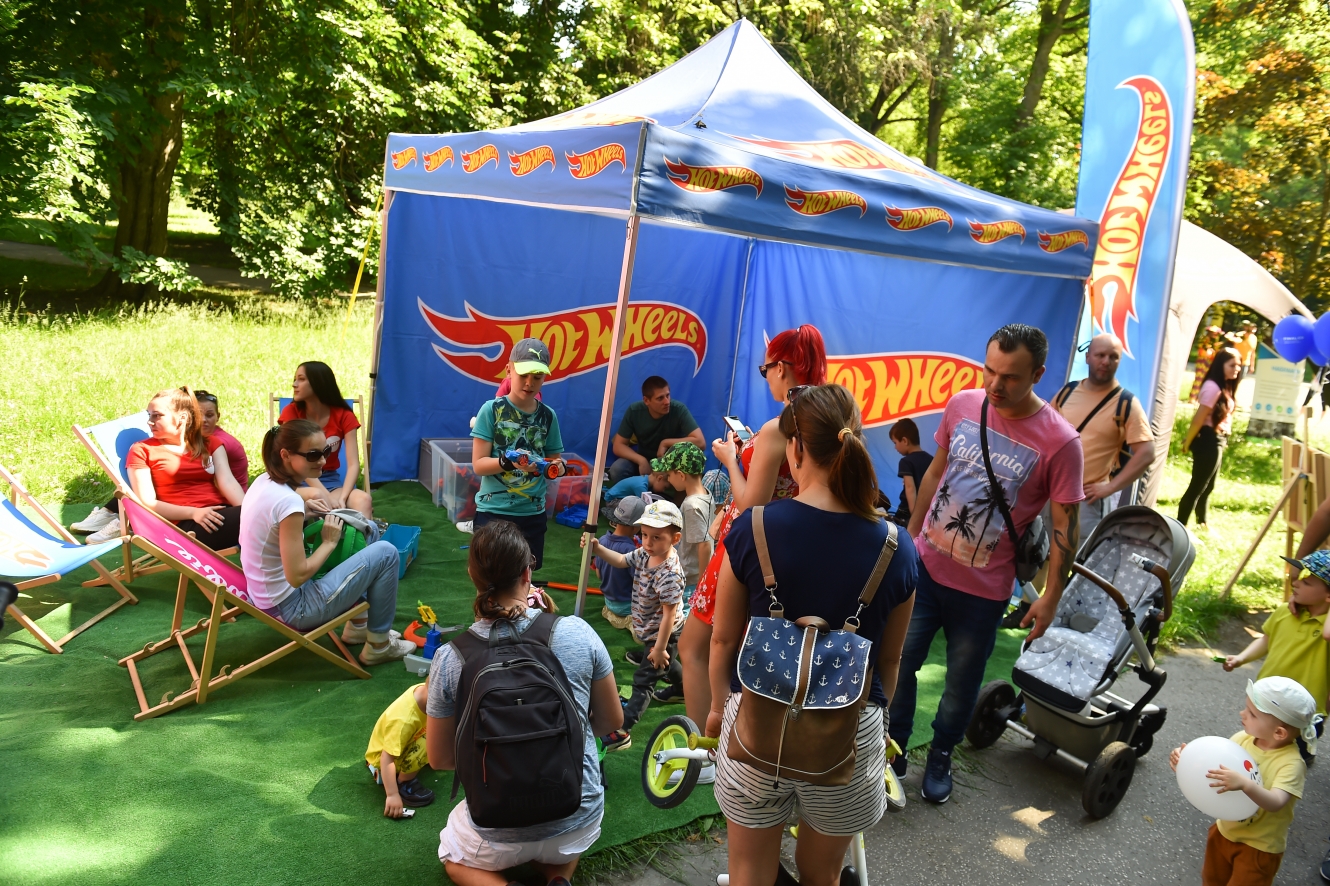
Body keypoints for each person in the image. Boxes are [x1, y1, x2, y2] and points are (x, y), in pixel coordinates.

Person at [706, 383, 918, 886]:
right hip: (850, 736)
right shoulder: (897, 546)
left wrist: (716, 709)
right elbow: (890, 661)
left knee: (748, 873)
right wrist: (881, 723)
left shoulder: (753, 527)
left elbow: (722, 640)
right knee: (822, 874)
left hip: (755, 723)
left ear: (795, 448)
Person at [892, 324, 1084, 804]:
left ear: (1038, 374)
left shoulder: (1061, 442)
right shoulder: (963, 404)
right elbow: (935, 473)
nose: (996, 385)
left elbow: (1066, 525)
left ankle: (941, 753)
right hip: (926, 570)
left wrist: (1052, 597)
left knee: (961, 684)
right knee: (899, 663)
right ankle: (892, 751)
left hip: (984, 592)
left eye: (1011, 377)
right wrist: (910, 538)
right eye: (990, 370)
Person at [426, 521, 621, 886]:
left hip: (495, 823)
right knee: (560, 847)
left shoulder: (451, 658)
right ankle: (556, 877)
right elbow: (611, 721)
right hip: (576, 813)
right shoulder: (577, 631)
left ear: (471, 575)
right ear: (527, 574)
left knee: (453, 858)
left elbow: (440, 759)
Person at [679, 324, 826, 753]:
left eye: (766, 369)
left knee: (698, 646)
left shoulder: (780, 427)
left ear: (782, 368)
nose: (767, 378)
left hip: (746, 547)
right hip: (794, 551)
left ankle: (708, 748)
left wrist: (730, 459)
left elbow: (750, 504)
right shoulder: (829, 417)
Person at [239, 420, 413, 665]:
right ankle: (379, 646)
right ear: (285, 455)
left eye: (326, 451)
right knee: (386, 552)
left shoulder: (263, 481)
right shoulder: (288, 503)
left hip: (268, 595)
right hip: (293, 608)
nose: (322, 460)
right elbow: (297, 576)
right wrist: (328, 543)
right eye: (313, 455)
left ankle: (359, 626)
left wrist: (304, 510)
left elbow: (272, 524)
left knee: (368, 528)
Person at [1169, 677, 1318, 886]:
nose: (1242, 713)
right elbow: (1217, 768)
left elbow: (1276, 802)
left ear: (1279, 732)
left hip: (1259, 846)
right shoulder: (1242, 739)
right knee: (1211, 880)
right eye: (1246, 708)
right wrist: (1187, 762)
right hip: (1224, 831)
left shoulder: (1291, 764)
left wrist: (1246, 784)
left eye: (1252, 714)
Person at [77, 388, 250, 540]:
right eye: (149, 415)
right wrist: (194, 513)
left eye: (157, 415)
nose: (149, 421)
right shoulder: (142, 450)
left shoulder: (210, 443)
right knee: (260, 518)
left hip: (217, 514)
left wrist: (248, 509)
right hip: (183, 525)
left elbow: (227, 482)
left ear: (182, 417)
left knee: (258, 513)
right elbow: (147, 502)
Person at [583, 499, 687, 750]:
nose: (648, 542)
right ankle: (683, 688)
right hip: (650, 629)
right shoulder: (644, 553)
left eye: (656, 537)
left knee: (644, 681)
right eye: (645, 535)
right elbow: (621, 561)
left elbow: (669, 616)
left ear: (675, 539)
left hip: (664, 633)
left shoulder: (670, 574)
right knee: (665, 663)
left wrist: (659, 647)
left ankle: (623, 729)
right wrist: (598, 549)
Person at [470, 338, 564, 571]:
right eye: (523, 374)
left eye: (537, 377)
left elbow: (555, 459)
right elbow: (479, 465)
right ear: (508, 370)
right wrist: (508, 462)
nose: (529, 383)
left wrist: (556, 468)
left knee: (525, 578)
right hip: (493, 511)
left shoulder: (548, 416)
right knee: (489, 576)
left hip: (532, 513)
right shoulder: (491, 410)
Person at [1052, 333, 1156, 539]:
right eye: (1100, 355)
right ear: (1087, 357)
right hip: (1050, 492)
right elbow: (1044, 434)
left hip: (1085, 501)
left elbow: (1147, 453)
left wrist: (1110, 488)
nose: (1106, 362)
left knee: (1078, 557)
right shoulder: (1067, 392)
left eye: (1113, 357)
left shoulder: (1126, 403)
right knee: (1039, 553)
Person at [1224, 551, 1330, 723]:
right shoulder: (1284, 612)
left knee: (1292, 743)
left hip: (1303, 711)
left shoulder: (1327, 626)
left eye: (1306, 583)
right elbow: (1266, 640)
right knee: (1254, 739)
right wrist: (1241, 658)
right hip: (1265, 698)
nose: (1295, 583)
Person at [279, 361, 373, 519]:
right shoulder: (292, 413)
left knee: (363, 499)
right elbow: (297, 462)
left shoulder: (344, 415)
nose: (294, 384)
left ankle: (367, 536)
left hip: (329, 479)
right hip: (294, 480)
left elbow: (353, 464)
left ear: (318, 383)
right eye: (295, 379)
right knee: (318, 496)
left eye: (301, 379)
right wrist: (325, 495)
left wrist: (343, 497)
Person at [1178, 348, 1241, 529]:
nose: (1237, 369)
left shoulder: (1225, 386)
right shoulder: (1213, 387)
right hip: (1208, 439)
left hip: (1218, 439)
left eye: (1238, 365)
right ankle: (1180, 525)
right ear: (1221, 365)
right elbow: (1198, 419)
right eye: (1232, 365)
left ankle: (1202, 522)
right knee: (1197, 486)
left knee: (1209, 485)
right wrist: (1188, 441)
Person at [608, 376, 705, 485]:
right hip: (645, 460)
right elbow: (618, 446)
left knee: (689, 464)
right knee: (618, 469)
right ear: (646, 400)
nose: (666, 402)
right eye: (660, 398)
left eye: (668, 395)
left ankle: (676, 495)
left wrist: (665, 443)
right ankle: (634, 494)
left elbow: (700, 442)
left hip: (671, 463)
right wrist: (641, 460)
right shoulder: (634, 411)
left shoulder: (678, 409)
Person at [366, 678, 435, 818]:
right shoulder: (403, 721)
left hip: (407, 739)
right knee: (432, 739)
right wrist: (392, 795)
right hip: (383, 758)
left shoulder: (425, 690)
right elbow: (387, 757)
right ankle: (404, 782)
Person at [596, 495, 645, 631]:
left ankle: (611, 613)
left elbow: (598, 573)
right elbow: (640, 584)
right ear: (636, 528)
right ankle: (630, 621)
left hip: (608, 599)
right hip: (626, 605)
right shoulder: (630, 551)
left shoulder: (601, 541)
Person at [194, 390, 249, 491]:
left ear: (218, 417)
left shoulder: (220, 443)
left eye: (209, 415)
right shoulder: (205, 437)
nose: (203, 420)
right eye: (198, 415)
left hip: (230, 498)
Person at [889, 418, 933, 527]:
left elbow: (910, 488)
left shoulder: (905, 462)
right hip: (927, 511)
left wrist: (914, 516)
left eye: (895, 443)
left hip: (907, 513)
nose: (895, 447)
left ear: (904, 441)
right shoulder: (931, 459)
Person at [1191, 325, 1224, 403]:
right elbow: (1202, 349)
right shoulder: (1204, 340)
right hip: (1202, 360)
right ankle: (1193, 397)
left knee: (1204, 380)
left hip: (1209, 361)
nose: (1215, 335)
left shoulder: (1215, 342)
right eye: (1214, 333)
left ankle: (1198, 397)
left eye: (1216, 333)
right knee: (1199, 379)